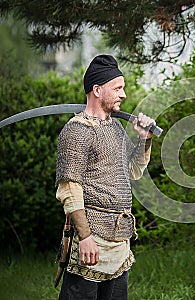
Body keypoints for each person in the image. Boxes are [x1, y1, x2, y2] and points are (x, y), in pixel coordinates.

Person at [55, 54, 155, 300]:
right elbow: (70, 188)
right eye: (118, 88)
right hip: (91, 239)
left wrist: (145, 139)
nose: (124, 94)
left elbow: (132, 170)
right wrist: (86, 237)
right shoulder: (76, 130)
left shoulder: (115, 127)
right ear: (97, 90)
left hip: (119, 242)